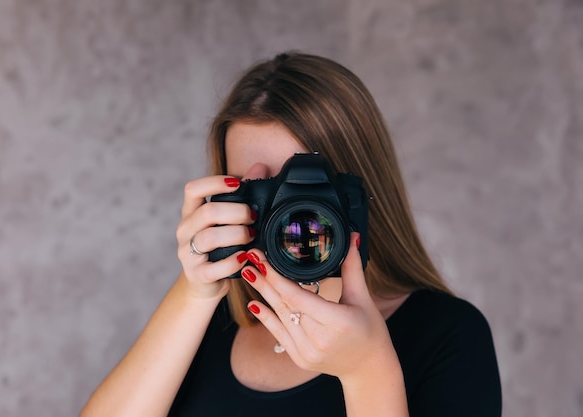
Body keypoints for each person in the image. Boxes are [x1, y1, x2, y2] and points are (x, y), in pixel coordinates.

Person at [80, 52, 501, 417]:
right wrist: (195, 291)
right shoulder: (212, 323)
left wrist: (367, 370)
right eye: (260, 191)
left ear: (358, 194)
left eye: (305, 190)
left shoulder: (449, 334)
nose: (291, 220)